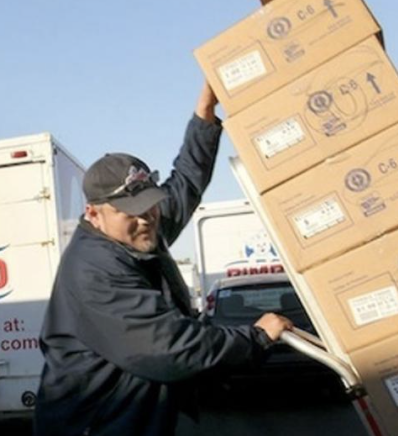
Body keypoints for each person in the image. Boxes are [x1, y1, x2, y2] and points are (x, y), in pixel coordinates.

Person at [33, 82, 293, 436]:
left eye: (150, 205)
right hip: (98, 426)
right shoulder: (95, 270)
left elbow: (185, 183)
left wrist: (204, 116)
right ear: (93, 214)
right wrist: (256, 338)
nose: (146, 218)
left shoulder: (137, 231)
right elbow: (169, 348)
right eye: (130, 211)